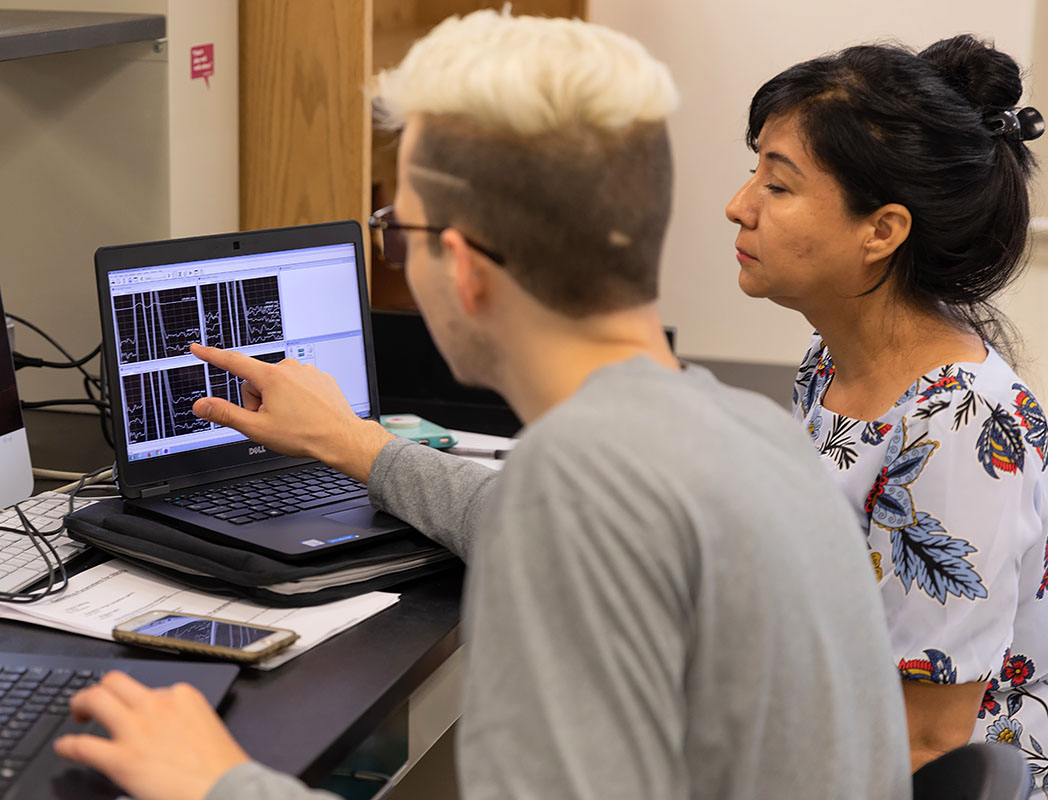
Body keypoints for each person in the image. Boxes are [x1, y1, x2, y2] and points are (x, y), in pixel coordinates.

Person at [55, 11, 911, 800]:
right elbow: (536, 513)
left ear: (461, 267)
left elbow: (566, 515)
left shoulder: (579, 488)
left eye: (400, 228)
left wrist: (217, 781)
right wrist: (355, 445)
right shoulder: (742, 427)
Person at [725, 35, 1048, 785]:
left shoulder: (961, 427)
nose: (739, 206)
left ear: (882, 231)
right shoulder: (832, 360)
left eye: (777, 185)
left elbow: (926, 746)